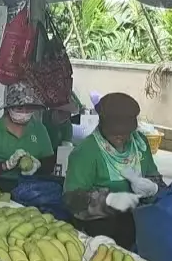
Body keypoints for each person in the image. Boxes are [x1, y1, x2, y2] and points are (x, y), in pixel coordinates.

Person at [62, 92, 164, 250]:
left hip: (138, 222)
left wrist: (153, 188)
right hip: (101, 229)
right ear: (102, 123)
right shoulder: (86, 152)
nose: (119, 135)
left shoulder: (140, 144)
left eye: (125, 131)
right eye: (114, 130)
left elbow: (157, 181)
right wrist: (107, 202)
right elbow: (72, 200)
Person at [0, 81, 55, 191]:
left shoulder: (39, 129)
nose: (24, 112)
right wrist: (5, 165)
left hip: (32, 186)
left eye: (28, 109)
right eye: (19, 108)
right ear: (9, 108)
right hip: (1, 187)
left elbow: (50, 163)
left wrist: (37, 165)